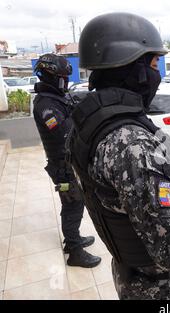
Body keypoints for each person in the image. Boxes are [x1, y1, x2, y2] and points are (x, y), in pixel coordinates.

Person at [67, 12, 170, 300]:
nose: (157, 74)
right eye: (153, 64)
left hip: (128, 273)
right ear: (133, 69)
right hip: (158, 289)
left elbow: (114, 195)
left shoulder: (84, 126)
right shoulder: (132, 145)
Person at [32, 53, 101, 268]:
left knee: (76, 202)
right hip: (62, 166)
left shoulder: (55, 99)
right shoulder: (46, 106)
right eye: (63, 78)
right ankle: (74, 251)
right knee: (73, 203)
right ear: (52, 77)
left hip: (69, 162)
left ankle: (74, 238)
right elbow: (64, 132)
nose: (66, 82)